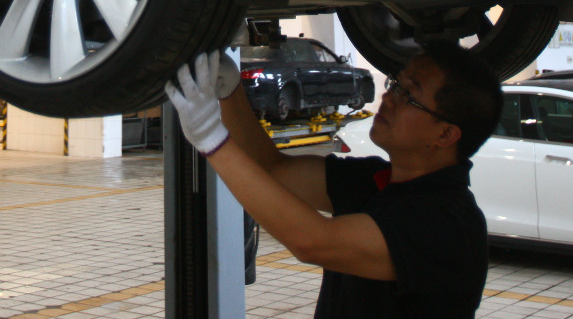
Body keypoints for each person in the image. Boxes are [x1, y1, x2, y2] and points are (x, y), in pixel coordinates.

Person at [167, 40, 502, 318]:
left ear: (445, 134)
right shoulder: (374, 179)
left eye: (408, 95)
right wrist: (228, 88)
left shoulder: (448, 224)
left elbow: (313, 241)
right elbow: (273, 169)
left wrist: (213, 140)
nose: (389, 97)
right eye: (396, 84)